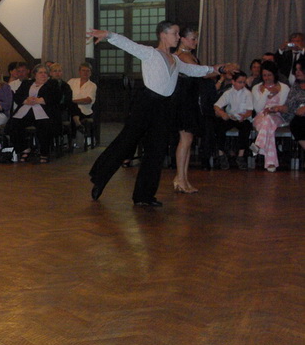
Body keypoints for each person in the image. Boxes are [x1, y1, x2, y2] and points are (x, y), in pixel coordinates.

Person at [87, 22, 238, 207]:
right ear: (163, 35)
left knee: (156, 150)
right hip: (146, 103)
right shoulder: (151, 53)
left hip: (164, 107)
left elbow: (195, 71)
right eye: (175, 33)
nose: (178, 37)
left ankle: (144, 196)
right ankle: (99, 178)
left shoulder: (176, 60)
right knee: (126, 142)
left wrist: (218, 69)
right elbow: (128, 44)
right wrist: (109, 35)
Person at [171, 26, 207, 194]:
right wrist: (220, 69)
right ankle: (180, 178)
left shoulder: (188, 55)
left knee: (188, 139)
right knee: (185, 140)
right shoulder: (183, 56)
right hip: (183, 101)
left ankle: (183, 178)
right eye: (193, 39)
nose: (196, 42)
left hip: (190, 100)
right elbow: (202, 73)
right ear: (183, 39)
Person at [6, 64, 62, 163]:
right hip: (26, 110)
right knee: (13, 124)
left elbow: (56, 97)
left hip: (44, 111)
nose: (43, 75)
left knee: (44, 125)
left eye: (45, 73)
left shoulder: (52, 83)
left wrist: (39, 100)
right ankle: (24, 148)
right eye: (40, 72)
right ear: (35, 74)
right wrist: (26, 100)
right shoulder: (26, 83)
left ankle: (44, 152)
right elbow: (17, 96)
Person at [250, 60, 290, 172]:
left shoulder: (284, 87)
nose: (267, 78)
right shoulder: (256, 88)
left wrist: (272, 109)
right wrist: (266, 93)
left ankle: (258, 145)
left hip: (277, 116)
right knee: (268, 125)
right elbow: (258, 108)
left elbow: (282, 106)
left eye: (269, 75)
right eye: (264, 75)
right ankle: (270, 162)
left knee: (269, 120)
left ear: (274, 74)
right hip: (261, 117)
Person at [213, 71, 253, 170]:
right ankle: (221, 154)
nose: (242, 84)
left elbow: (249, 111)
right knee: (219, 126)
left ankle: (241, 155)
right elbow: (216, 105)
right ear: (233, 82)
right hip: (231, 117)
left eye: (244, 82)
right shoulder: (228, 93)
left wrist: (244, 116)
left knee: (246, 127)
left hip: (243, 118)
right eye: (240, 82)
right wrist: (223, 114)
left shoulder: (247, 93)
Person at [281, 59, 305, 157]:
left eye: (300, 69)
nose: (297, 72)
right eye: (296, 69)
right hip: (298, 116)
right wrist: (279, 108)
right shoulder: (295, 86)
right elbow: (289, 104)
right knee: (296, 124)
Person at [68, 62, 97, 131]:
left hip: (84, 111)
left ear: (90, 73)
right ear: (79, 72)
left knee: (73, 106)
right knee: (72, 107)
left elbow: (88, 100)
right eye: (83, 70)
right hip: (70, 109)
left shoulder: (92, 85)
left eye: (88, 71)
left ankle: (76, 129)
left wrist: (73, 101)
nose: (85, 73)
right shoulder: (72, 81)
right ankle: (78, 124)